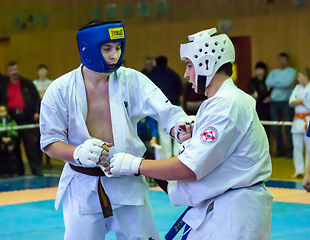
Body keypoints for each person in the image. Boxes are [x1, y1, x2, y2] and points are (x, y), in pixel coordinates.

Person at [108, 28, 273, 239]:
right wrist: (198, 132)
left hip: (233, 215)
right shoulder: (224, 102)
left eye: (188, 65)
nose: (186, 73)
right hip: (225, 207)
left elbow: (187, 168)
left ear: (206, 63)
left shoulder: (226, 105)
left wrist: (135, 164)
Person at [39, 20, 188, 240]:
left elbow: (166, 110)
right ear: (86, 49)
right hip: (82, 187)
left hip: (128, 183)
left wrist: (181, 127)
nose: (114, 55)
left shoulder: (131, 80)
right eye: (107, 48)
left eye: (118, 47)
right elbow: (50, 142)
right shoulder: (60, 89)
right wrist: (76, 153)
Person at [0, 61, 42, 176]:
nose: (14, 72)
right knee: (14, 147)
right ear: (8, 72)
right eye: (11, 70)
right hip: (12, 119)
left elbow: (36, 98)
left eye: (16, 69)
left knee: (32, 147)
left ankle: (37, 171)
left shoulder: (27, 83)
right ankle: (18, 172)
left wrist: (37, 111)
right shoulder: (4, 86)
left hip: (27, 118)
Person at [266, 52, 296, 158]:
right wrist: (280, 82)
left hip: (286, 102)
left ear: (287, 61)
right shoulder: (274, 72)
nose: (282, 62)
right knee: (276, 128)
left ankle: (290, 151)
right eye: (280, 60)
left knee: (288, 128)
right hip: (274, 102)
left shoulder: (292, 71)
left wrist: (276, 83)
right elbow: (268, 82)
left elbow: (287, 83)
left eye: (284, 60)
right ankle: (280, 150)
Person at [289, 67, 310, 179]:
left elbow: (308, 103)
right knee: (297, 146)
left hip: (308, 119)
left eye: (300, 76)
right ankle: (299, 170)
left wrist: (300, 101)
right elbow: (291, 102)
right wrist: (301, 100)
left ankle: (308, 171)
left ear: (305, 76)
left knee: (309, 147)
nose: (298, 78)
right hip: (297, 120)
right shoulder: (297, 87)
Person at [33, 64, 53, 169]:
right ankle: (39, 161)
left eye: (44, 70)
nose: (42, 72)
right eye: (40, 71)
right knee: (38, 137)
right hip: (38, 110)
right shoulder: (34, 84)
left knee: (49, 135)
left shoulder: (51, 83)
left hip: (48, 112)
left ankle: (48, 160)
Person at [0, 105, 19, 178]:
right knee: (1, 158)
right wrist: (2, 138)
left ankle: (12, 172)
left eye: (4, 111)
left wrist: (10, 138)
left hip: (9, 140)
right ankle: (3, 173)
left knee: (11, 157)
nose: (3, 113)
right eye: (1, 111)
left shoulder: (10, 120)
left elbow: (14, 129)